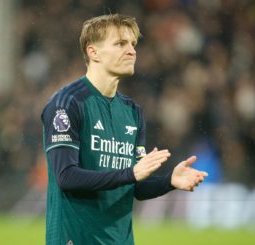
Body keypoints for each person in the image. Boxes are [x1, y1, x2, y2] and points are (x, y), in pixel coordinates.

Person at [41, 13, 208, 245]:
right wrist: (131, 174)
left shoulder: (132, 111)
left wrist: (169, 181)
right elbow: (66, 176)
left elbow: (135, 187)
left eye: (133, 44)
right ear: (93, 52)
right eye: (120, 43)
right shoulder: (67, 104)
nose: (132, 50)